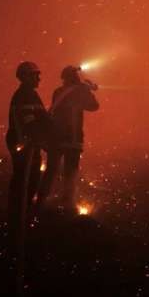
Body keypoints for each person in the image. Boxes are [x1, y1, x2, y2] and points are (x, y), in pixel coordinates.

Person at [36, 65, 99, 214]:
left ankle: (41, 200)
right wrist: (87, 90)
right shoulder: (81, 91)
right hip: (73, 139)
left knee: (51, 170)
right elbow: (94, 106)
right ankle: (67, 203)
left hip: (56, 138)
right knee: (70, 171)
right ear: (75, 77)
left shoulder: (58, 92)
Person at [6, 61, 51, 247]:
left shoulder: (30, 94)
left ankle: (22, 218)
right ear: (24, 77)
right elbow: (30, 124)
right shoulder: (24, 95)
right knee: (24, 181)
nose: (39, 78)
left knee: (29, 180)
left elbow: (43, 120)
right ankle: (19, 223)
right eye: (34, 75)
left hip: (29, 145)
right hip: (25, 145)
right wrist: (42, 141)